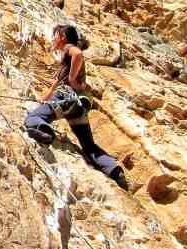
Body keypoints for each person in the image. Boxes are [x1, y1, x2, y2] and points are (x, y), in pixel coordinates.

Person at [25, 24, 129, 190]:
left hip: (66, 98)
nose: (53, 39)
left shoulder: (69, 49)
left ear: (63, 36)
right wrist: (43, 100)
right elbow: (53, 86)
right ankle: (115, 171)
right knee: (89, 146)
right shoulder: (64, 64)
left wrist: (73, 79)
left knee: (33, 118)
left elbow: (78, 53)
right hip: (77, 106)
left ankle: (46, 134)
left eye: (55, 35)